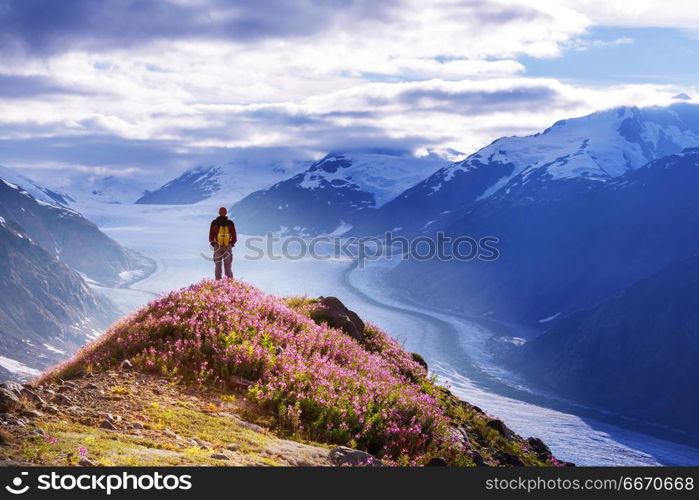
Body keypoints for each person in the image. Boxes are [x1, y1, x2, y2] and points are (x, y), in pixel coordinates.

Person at [209, 207, 237, 280]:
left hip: (217, 246)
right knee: (228, 267)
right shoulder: (230, 223)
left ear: (219, 213)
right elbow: (234, 237)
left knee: (218, 266)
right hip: (228, 245)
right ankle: (229, 284)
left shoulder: (214, 222)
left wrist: (215, 244)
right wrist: (231, 243)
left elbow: (210, 237)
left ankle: (218, 284)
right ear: (226, 213)